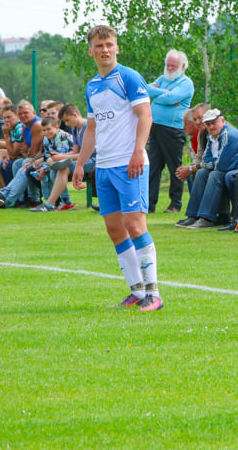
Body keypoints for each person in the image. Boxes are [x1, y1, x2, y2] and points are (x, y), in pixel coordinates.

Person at [71, 24, 163, 312]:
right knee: (114, 229)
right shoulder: (92, 86)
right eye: (99, 46)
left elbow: (145, 116)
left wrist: (138, 152)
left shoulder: (129, 77)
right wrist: (81, 162)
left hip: (129, 163)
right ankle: (136, 291)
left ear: (117, 47)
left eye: (109, 44)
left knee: (135, 224)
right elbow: (92, 128)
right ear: (91, 51)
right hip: (105, 166)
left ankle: (154, 294)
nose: (105, 49)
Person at [175, 109, 238, 229]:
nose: (211, 126)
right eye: (208, 124)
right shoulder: (210, 136)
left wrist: (193, 168)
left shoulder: (228, 135)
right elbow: (206, 159)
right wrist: (197, 168)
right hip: (227, 167)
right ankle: (194, 215)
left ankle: (207, 217)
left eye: (214, 122)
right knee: (202, 173)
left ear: (222, 121)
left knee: (215, 174)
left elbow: (221, 165)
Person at [147, 49, 195, 214]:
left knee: (175, 167)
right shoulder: (162, 79)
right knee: (153, 166)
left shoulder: (185, 83)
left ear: (182, 66)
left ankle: (175, 203)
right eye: (168, 65)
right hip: (154, 127)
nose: (169, 68)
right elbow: (145, 90)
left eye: (173, 65)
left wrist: (160, 96)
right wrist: (164, 93)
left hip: (173, 129)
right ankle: (149, 203)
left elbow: (171, 98)